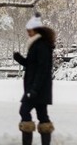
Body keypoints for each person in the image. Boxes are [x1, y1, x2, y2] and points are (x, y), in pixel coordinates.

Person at [13, 13, 56, 145]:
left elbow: (42, 70)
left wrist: (34, 89)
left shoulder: (41, 46)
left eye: (29, 31)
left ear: (36, 30)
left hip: (37, 89)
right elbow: (33, 65)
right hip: (38, 89)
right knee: (42, 116)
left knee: (24, 111)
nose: (28, 33)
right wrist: (19, 58)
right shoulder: (37, 45)